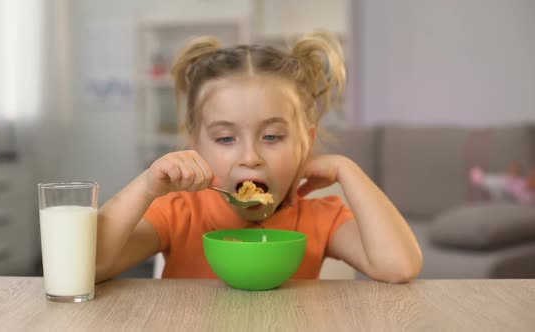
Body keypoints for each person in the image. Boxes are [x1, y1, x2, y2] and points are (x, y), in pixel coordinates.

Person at [95, 31, 423, 283]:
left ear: (304, 144)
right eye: (225, 138)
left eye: (272, 137)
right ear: (195, 147)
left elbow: (400, 267)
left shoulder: (320, 218)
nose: (250, 157)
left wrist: (346, 169)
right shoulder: (179, 212)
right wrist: (147, 186)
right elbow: (92, 263)